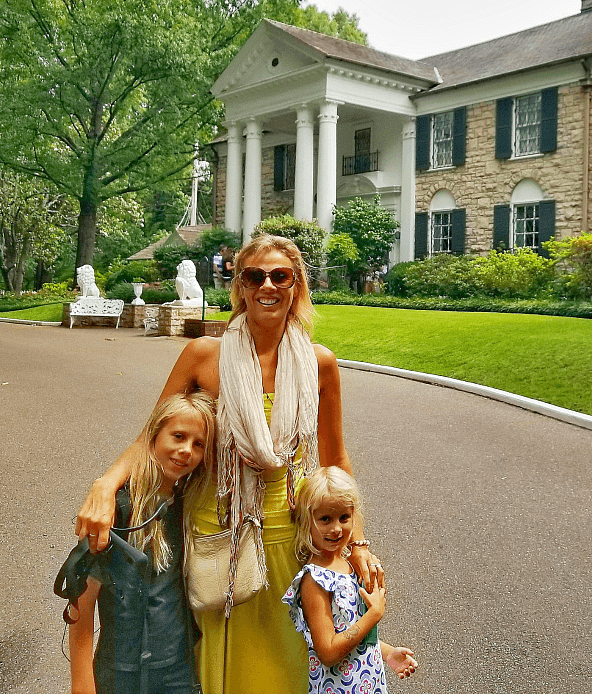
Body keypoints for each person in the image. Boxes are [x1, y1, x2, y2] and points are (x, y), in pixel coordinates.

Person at [76, 234, 382, 694]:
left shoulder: (320, 364)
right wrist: (105, 485)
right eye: (254, 276)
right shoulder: (205, 356)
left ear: (297, 285)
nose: (268, 286)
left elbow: (335, 457)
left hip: (291, 532)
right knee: (218, 665)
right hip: (218, 529)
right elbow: (151, 437)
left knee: (289, 662)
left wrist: (356, 541)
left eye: (281, 276)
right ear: (238, 285)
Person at [69, 391, 216, 694]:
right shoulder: (118, 511)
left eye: (198, 444)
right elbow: (81, 605)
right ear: (152, 437)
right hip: (121, 671)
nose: (186, 450)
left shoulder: (188, 506)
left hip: (179, 670)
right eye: (178, 436)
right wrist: (82, 683)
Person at [282, 467, 417, 694]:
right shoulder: (314, 581)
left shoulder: (348, 565)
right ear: (307, 521)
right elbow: (328, 651)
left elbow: (353, 631)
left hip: (367, 682)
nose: (336, 528)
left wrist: (386, 653)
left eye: (344, 517)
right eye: (325, 519)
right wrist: (373, 615)